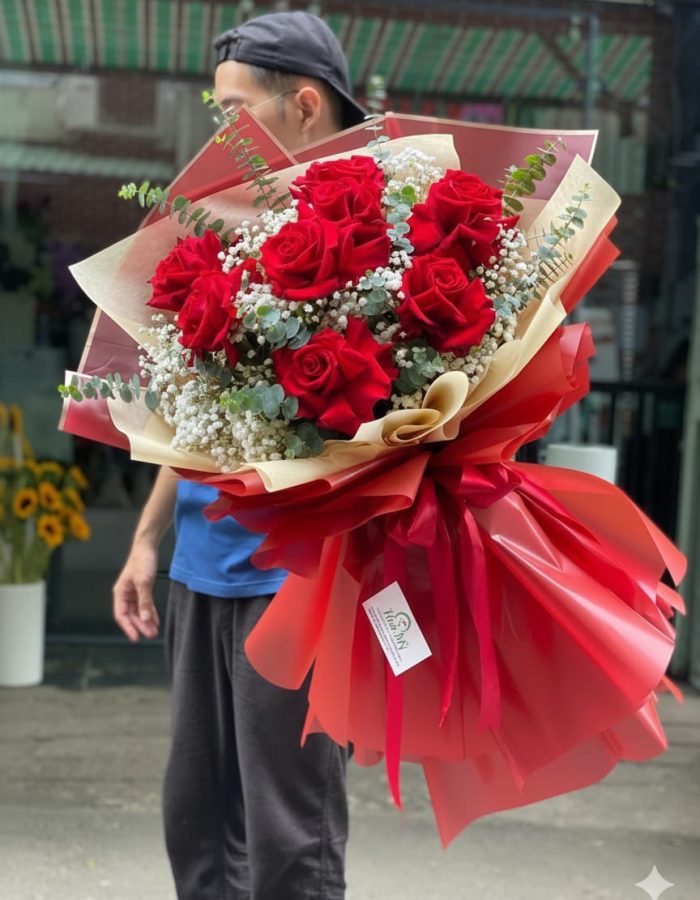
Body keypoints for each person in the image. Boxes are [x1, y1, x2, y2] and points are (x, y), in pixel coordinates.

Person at [111, 12, 367, 900]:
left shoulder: (384, 228)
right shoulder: (224, 220)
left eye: (232, 111)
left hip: (294, 577)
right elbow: (194, 406)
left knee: (287, 838)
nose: (217, 132)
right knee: (199, 821)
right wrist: (149, 539)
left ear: (302, 105)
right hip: (202, 566)